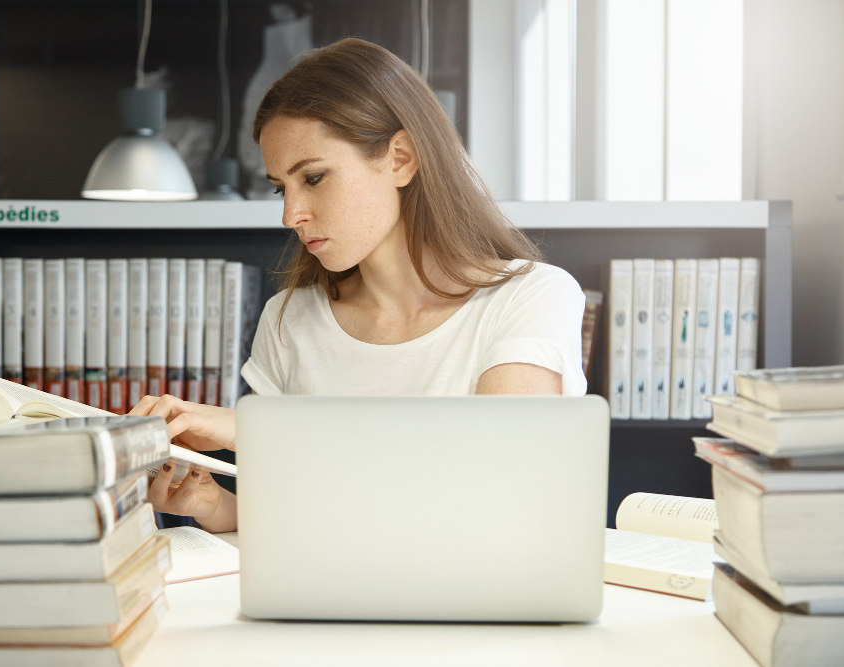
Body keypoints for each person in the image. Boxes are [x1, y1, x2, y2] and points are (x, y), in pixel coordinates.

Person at [129, 37, 587, 533]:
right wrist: (213, 505)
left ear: (401, 158)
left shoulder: (531, 297)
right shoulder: (290, 320)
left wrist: (260, 431)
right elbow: (300, 523)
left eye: (315, 177)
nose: (290, 214)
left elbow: (496, 476)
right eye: (282, 187)